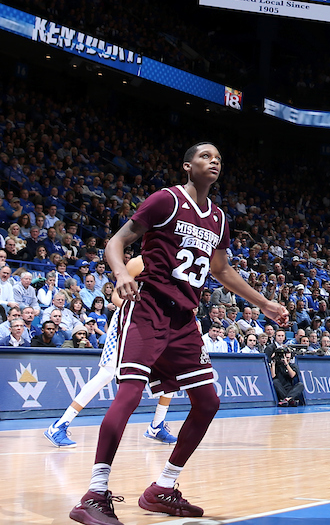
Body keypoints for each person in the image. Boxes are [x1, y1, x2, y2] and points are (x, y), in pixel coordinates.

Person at [68, 143, 287, 525]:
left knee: (208, 402)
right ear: (187, 166)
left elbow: (221, 270)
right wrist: (121, 274)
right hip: (148, 307)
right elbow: (116, 242)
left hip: (185, 320)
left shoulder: (218, 219)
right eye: (205, 156)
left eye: (219, 157)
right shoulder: (164, 201)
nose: (214, 161)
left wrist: (264, 303)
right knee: (130, 394)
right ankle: (94, 493)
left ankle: (162, 488)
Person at [44, 257, 178, 450]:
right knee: (106, 374)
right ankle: (59, 425)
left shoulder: (177, 268)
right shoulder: (140, 262)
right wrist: (140, 313)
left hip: (155, 328)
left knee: (170, 375)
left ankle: (157, 426)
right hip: (127, 322)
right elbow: (116, 297)